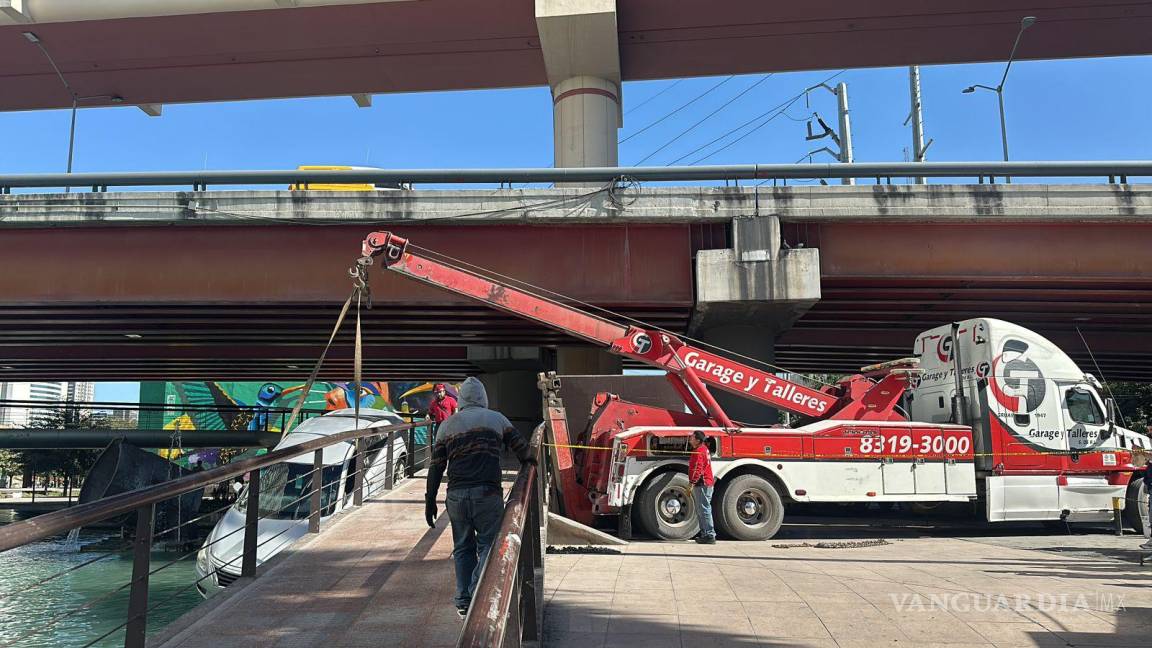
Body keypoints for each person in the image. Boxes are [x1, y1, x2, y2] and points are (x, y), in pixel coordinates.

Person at [424, 377, 533, 618]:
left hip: (456, 496)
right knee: (488, 546)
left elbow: (435, 467)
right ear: (484, 398)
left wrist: (429, 500)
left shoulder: (447, 425)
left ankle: (463, 600)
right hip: (487, 494)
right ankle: (475, 592)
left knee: (462, 548)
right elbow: (524, 451)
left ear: (461, 400)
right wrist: (531, 464)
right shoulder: (497, 419)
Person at [688, 430, 716, 544]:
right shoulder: (703, 449)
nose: (690, 439)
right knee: (701, 509)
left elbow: (698, 468)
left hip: (702, 483)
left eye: (692, 437)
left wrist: (692, 482)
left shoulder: (699, 451)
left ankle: (709, 534)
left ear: (698, 440)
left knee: (703, 509)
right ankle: (705, 534)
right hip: (705, 483)